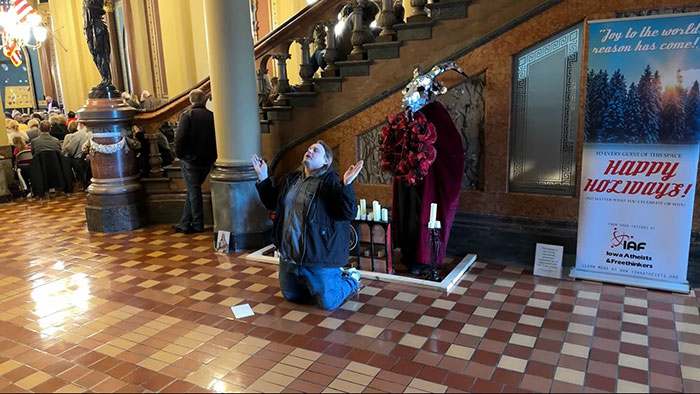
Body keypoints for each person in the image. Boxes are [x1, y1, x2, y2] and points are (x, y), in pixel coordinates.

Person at [253, 141, 364, 311]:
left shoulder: (331, 182)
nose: (309, 151)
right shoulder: (292, 179)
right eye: (308, 149)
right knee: (291, 296)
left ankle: (350, 278)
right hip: (290, 255)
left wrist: (347, 185)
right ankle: (314, 280)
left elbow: (348, 213)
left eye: (315, 150)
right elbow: (272, 202)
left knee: (329, 303)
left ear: (326, 161)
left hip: (318, 257)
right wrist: (263, 177)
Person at [173, 89, 217, 234]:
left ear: (190, 100)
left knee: (194, 191)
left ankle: (198, 224)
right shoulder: (211, 116)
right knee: (192, 191)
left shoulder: (187, 116)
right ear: (204, 100)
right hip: (207, 160)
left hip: (190, 160)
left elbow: (180, 139)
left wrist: (179, 155)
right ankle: (185, 223)